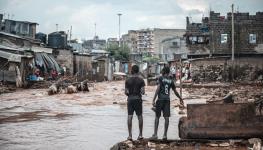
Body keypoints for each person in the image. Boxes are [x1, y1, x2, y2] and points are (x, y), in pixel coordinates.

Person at [151, 66, 184, 140]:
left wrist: (153, 99)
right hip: (167, 100)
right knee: (166, 118)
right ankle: (165, 135)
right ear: (168, 72)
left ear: (163, 71)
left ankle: (155, 134)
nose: (161, 71)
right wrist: (180, 98)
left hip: (160, 100)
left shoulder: (161, 78)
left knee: (157, 117)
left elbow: (158, 89)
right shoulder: (171, 80)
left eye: (162, 70)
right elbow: (175, 91)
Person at [125, 65, 145, 140]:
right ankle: (140, 135)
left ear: (132, 71)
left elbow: (126, 92)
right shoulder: (141, 80)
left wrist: (129, 94)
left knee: (130, 116)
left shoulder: (127, 80)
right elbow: (143, 92)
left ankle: (130, 135)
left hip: (130, 99)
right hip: (138, 99)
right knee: (140, 116)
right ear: (138, 71)